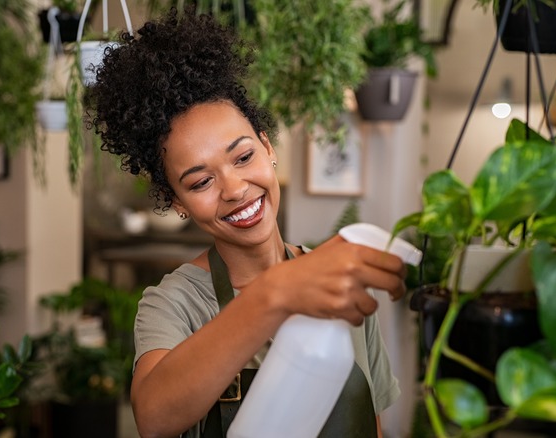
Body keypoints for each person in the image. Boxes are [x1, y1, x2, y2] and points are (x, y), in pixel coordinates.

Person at [89, 9, 407, 438]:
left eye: (243, 157)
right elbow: (154, 418)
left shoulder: (337, 284)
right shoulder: (176, 304)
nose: (235, 188)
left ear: (267, 146)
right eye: (201, 181)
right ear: (178, 203)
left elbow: (374, 426)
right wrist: (274, 294)